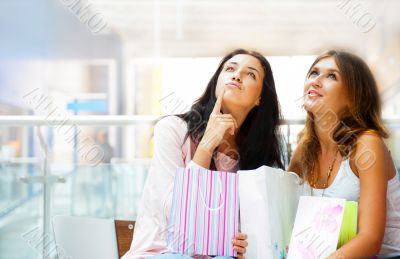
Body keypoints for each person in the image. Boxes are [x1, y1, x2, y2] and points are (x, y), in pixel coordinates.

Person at [122, 49, 285, 259]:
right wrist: (207, 145)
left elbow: (250, 232)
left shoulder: (254, 157)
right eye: (230, 69)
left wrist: (244, 242)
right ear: (216, 81)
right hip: (159, 253)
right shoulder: (173, 129)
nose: (236, 75)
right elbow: (174, 213)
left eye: (250, 74)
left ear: (260, 98)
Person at [288, 50, 400, 258]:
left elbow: (370, 239)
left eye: (332, 76)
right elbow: (285, 217)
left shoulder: (367, 145)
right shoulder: (303, 152)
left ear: (353, 96)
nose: (316, 81)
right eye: (314, 73)